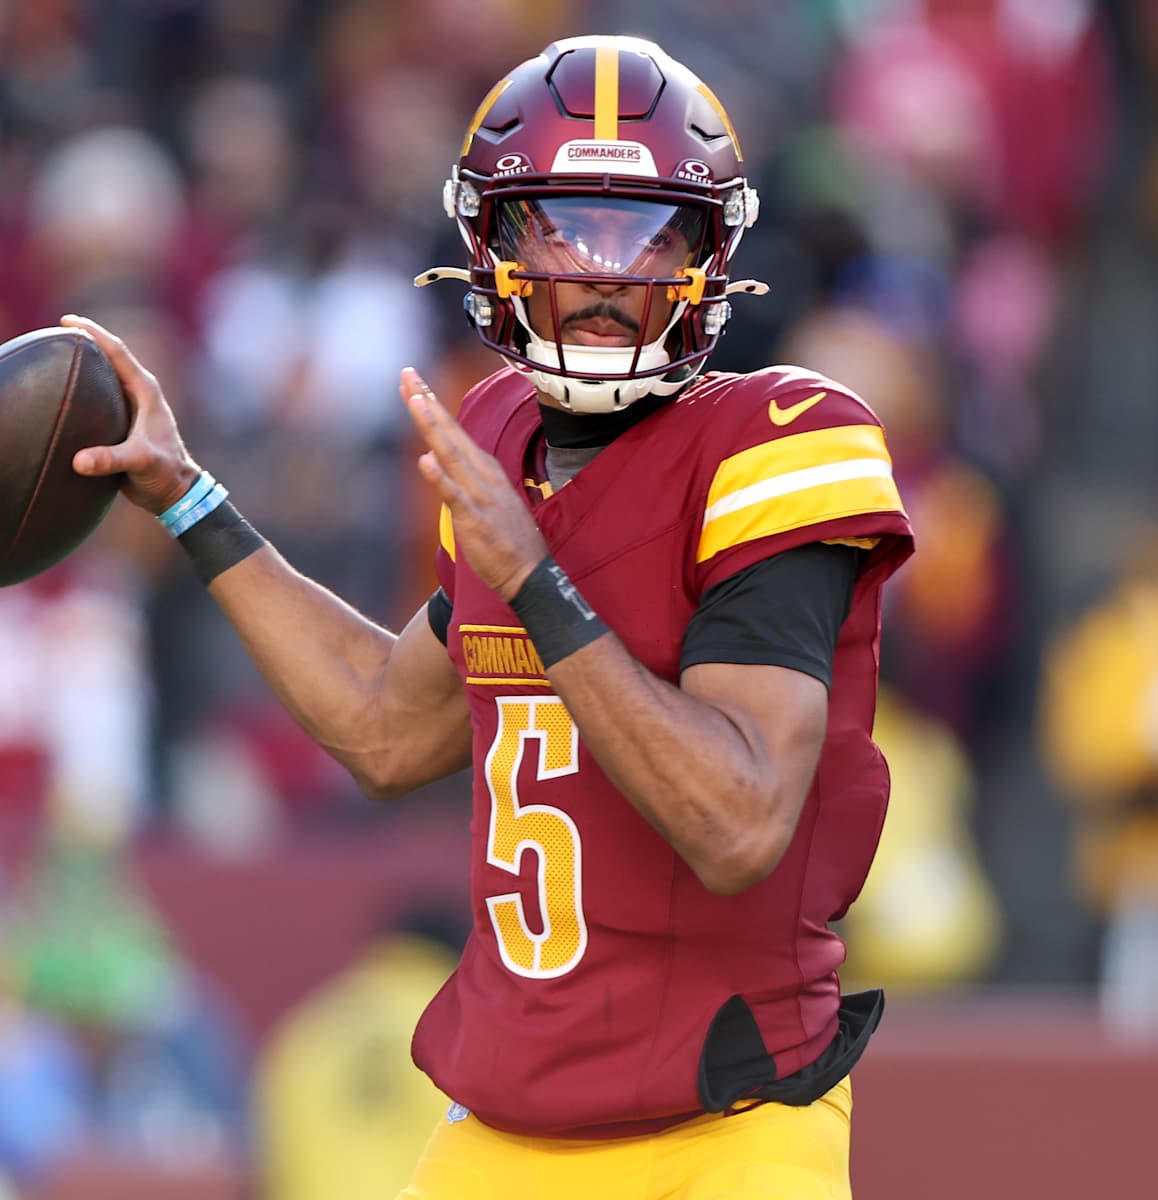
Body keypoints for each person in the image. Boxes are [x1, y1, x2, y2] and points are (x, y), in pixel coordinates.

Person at [65, 34, 913, 1198]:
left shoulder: (782, 441)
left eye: (650, 233)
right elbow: (383, 728)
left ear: (714, 252)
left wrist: (535, 582)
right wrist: (189, 498)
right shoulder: (504, 431)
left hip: (725, 1133)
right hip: (506, 1134)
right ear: (490, 243)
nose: (608, 276)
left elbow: (738, 823)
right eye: (566, 229)